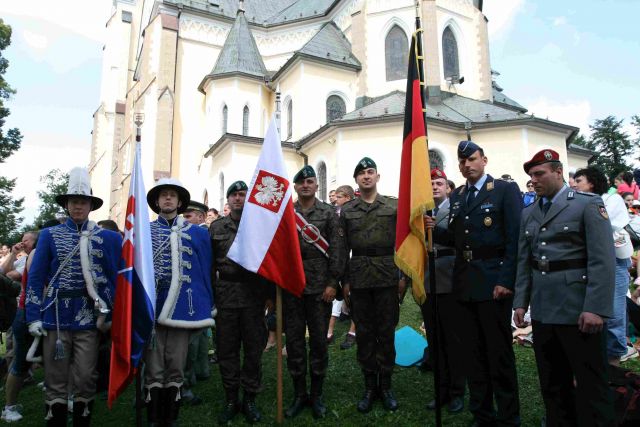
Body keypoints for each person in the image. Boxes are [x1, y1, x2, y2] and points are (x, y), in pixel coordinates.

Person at [514, 149, 615, 426]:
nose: (533, 180)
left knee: (591, 384)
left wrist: (596, 308)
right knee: (553, 383)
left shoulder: (586, 204)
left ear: (558, 172)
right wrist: (521, 302)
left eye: (539, 174)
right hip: (543, 309)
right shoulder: (529, 212)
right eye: (531, 176)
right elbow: (525, 261)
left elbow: (602, 259)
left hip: (577, 309)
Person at [431, 141, 521, 426]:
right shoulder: (458, 195)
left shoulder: (504, 190)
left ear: (484, 160)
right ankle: (482, 414)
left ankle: (508, 417)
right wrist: (434, 230)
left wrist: (507, 280)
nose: (467, 165)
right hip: (464, 283)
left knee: (498, 352)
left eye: (472, 159)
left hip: (494, 282)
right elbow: (457, 238)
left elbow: (515, 239)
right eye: (462, 161)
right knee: (472, 353)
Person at [25, 167, 122, 425]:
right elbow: (36, 278)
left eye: (83, 202)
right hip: (55, 316)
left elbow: (116, 278)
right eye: (73, 202)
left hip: (89, 317)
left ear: (90, 206)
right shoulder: (49, 235)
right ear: (66, 205)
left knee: (86, 376)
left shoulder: (109, 238)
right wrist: (33, 316)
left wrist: (112, 312)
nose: (78, 206)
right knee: (55, 378)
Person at [145, 178, 214, 426]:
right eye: (163, 195)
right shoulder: (143, 231)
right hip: (152, 306)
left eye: (172, 195)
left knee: (175, 364)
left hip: (183, 306)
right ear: (156, 201)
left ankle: (170, 418)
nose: (168, 198)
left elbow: (205, 269)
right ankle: (154, 418)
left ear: (179, 202)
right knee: (154, 366)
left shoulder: (198, 233)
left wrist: (208, 303)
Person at [283, 166, 346, 419]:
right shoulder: (287, 214)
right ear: (295, 187)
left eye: (310, 181)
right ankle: (300, 394)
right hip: (292, 287)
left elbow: (338, 250)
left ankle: (317, 395)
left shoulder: (329, 213)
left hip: (321, 289)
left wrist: (332, 283)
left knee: (319, 342)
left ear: (316, 186)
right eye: (301, 182)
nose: (306, 185)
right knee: (295, 342)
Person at [340, 157, 402, 413]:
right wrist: (344, 280)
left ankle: (385, 386)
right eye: (361, 173)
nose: (366, 176)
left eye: (370, 172)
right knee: (364, 333)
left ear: (377, 176)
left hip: (387, 275)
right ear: (356, 180)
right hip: (359, 278)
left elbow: (403, 244)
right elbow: (342, 248)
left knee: (386, 332)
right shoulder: (347, 210)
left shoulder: (393, 206)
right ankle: (369, 386)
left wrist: (402, 277)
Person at [209, 181, 273, 424]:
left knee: (254, 350)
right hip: (225, 295)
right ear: (228, 200)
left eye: (242, 194)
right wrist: (210, 295)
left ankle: (249, 398)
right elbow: (209, 265)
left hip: (253, 296)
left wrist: (269, 295)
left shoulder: (258, 227)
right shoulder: (216, 227)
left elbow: (269, 262)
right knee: (227, 350)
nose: (238, 198)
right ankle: (231, 398)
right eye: (234, 195)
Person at [574, 167, 634, 365]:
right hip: (588, 261)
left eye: (579, 180)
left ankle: (614, 364)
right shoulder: (575, 203)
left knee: (614, 312)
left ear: (592, 182)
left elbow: (605, 226)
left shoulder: (612, 200)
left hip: (614, 260)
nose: (574, 184)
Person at [422, 168, 465, 414]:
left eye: (439, 183)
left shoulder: (457, 210)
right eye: (431, 183)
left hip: (450, 279)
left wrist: (435, 230)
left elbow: (461, 239)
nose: (435, 187)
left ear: (448, 188)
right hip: (428, 279)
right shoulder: (422, 211)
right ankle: (441, 391)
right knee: (435, 339)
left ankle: (457, 391)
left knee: (453, 339)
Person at [1, 231, 38, 423]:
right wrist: (13, 254)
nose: (22, 243)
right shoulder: (29, 258)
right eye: (21, 240)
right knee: (18, 359)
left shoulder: (39, 255)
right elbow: (6, 273)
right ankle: (9, 406)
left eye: (26, 240)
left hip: (32, 311)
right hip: (23, 312)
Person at [326, 185, 357, 349]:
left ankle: (353, 332)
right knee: (339, 294)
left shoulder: (355, 213)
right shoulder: (333, 214)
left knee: (354, 297)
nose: (334, 200)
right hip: (339, 260)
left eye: (338, 197)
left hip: (354, 261)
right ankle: (329, 330)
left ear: (347, 198)